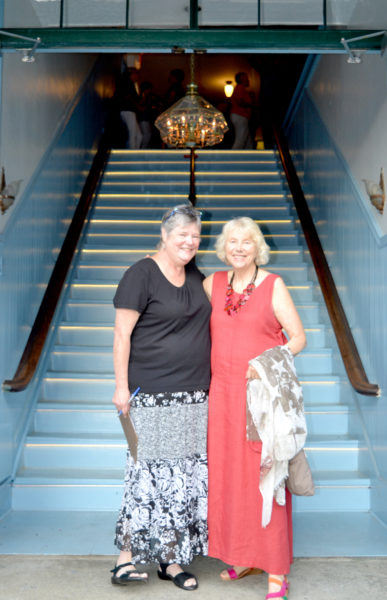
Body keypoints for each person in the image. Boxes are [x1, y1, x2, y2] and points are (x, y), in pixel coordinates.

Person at [203, 217, 306, 600]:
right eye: (233, 241)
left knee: (266, 478)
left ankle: (276, 568)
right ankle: (245, 556)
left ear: (258, 246)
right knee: (231, 479)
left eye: (247, 241)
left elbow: (298, 338)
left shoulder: (273, 285)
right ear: (224, 247)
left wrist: (263, 365)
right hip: (222, 398)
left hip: (260, 401)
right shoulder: (211, 284)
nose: (239, 248)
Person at [111, 204, 211, 590]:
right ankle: (125, 559)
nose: (189, 242)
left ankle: (170, 561)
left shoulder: (194, 273)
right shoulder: (141, 274)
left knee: (183, 481)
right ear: (165, 235)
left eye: (196, 236)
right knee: (146, 478)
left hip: (194, 395)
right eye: (182, 234)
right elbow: (122, 335)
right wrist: (121, 386)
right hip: (151, 393)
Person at [116, 66, 143, 149]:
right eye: (136, 74)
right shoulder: (128, 83)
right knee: (134, 134)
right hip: (128, 110)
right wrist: (137, 105)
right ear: (131, 74)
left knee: (138, 136)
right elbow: (128, 96)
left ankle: (133, 151)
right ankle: (133, 153)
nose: (138, 76)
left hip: (128, 110)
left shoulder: (128, 83)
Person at [230, 72, 255, 149]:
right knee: (241, 139)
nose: (248, 80)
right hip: (240, 115)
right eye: (246, 78)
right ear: (241, 79)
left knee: (247, 140)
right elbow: (240, 101)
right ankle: (232, 158)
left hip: (240, 115)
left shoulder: (240, 88)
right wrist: (252, 105)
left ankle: (250, 156)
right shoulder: (240, 88)